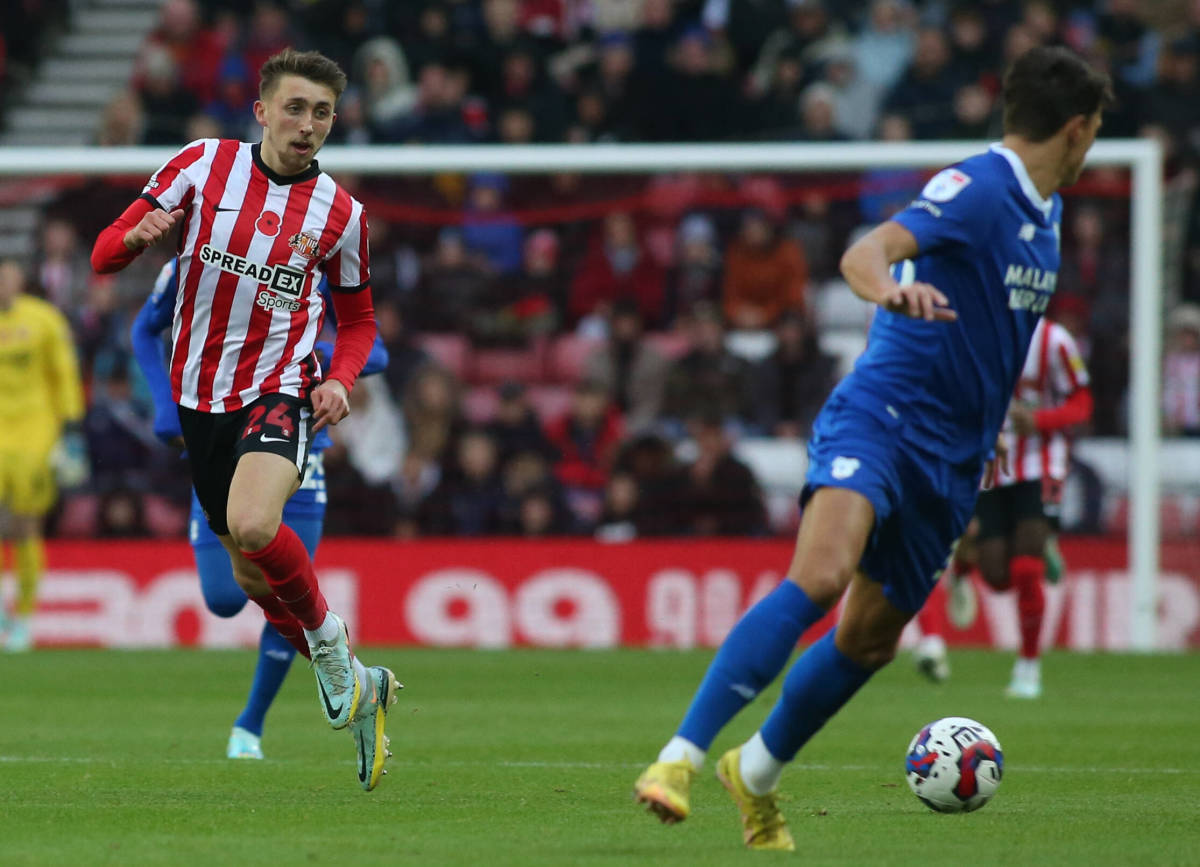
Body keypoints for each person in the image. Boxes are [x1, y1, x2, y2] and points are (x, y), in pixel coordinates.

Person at [633, 46, 1110, 850]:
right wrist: (888, 289)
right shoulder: (979, 186)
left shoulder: (1048, 217)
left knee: (870, 640)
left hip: (955, 461)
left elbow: (998, 343)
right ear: (1076, 128)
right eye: (1094, 133)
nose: (1092, 146)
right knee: (819, 576)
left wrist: (987, 428)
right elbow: (866, 249)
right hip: (883, 417)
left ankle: (752, 774)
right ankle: (676, 758)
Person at [91, 48, 397, 791]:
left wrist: (341, 379)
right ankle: (363, 682)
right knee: (244, 574)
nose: (308, 125)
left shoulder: (342, 216)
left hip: (279, 389)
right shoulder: (201, 165)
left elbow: (358, 323)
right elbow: (103, 254)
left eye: (321, 113)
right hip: (201, 400)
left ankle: (331, 650)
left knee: (257, 526)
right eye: (295, 108)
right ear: (262, 110)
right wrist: (134, 240)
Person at [131, 259, 389, 758]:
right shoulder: (195, 258)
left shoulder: (313, 254)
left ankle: (251, 724)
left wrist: (307, 360)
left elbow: (372, 346)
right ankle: (358, 680)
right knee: (227, 593)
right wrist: (166, 405)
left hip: (294, 434)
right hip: (217, 432)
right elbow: (145, 328)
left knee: (281, 578)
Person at [913, 317, 1093, 696]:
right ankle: (964, 566)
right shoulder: (973, 336)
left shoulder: (1053, 340)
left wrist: (1041, 419)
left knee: (1026, 570)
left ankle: (1028, 668)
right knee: (996, 576)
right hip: (991, 465)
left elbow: (1082, 401)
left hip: (1041, 464)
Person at [0, 260, 85, 652]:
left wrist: (70, 426)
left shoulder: (44, 320)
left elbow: (64, 372)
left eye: (9, 276)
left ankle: (24, 616)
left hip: (34, 431)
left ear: (20, 280)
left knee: (24, 524)